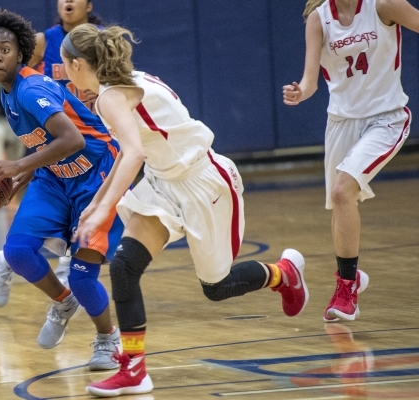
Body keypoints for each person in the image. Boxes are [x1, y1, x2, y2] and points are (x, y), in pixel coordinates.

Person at [61, 24, 310, 397]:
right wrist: (95, 205)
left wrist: (103, 211)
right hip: (164, 183)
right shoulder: (122, 84)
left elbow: (134, 155)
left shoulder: (111, 97)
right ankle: (134, 370)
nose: (62, 71)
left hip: (203, 183)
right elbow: (130, 155)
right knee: (125, 267)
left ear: (78, 64)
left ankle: (283, 274)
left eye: (64, 65)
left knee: (217, 287)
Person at [0, 9, 124, 371]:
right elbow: (47, 142)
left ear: (22, 54)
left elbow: (71, 139)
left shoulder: (31, 88)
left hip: (97, 175)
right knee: (18, 252)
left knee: (83, 276)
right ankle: (62, 302)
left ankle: (109, 339)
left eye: (5, 49)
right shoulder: (8, 94)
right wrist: (25, 175)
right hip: (55, 177)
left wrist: (16, 166)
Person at [283, 0, 418, 323]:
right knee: (340, 201)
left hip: (386, 118)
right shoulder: (319, 19)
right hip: (342, 122)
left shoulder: (384, 5)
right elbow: (311, 80)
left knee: (343, 191)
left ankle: (346, 289)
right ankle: (351, 278)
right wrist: (300, 91)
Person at [0, 0, 103, 308]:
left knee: (83, 236)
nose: (67, 1)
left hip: (95, 143)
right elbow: (25, 87)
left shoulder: (103, 40)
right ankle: (20, 266)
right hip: (58, 143)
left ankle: (11, 263)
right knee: (65, 235)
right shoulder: (43, 43)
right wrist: (26, 165)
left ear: (89, 5)